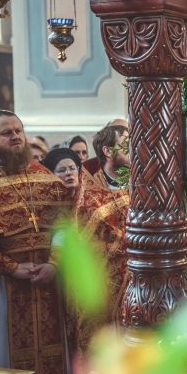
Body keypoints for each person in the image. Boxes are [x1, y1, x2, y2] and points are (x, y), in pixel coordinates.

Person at [0, 110, 73, 374]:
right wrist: (11, 268)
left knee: (57, 355)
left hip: (50, 282)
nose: (15, 137)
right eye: (6, 133)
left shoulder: (47, 179)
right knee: (8, 355)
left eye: (18, 131)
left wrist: (54, 264)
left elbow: (66, 226)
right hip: (6, 284)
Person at [72, 125, 130, 351]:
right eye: (126, 145)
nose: (134, 150)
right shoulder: (89, 192)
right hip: (106, 283)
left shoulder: (141, 183)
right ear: (107, 151)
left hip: (141, 281)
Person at [91, 124, 129, 190]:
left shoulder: (139, 180)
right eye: (126, 145)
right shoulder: (92, 187)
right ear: (108, 151)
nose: (131, 150)